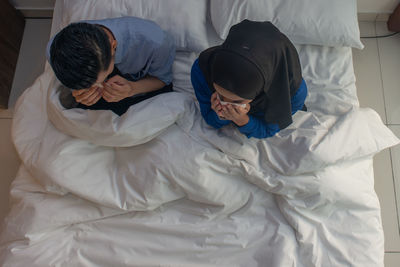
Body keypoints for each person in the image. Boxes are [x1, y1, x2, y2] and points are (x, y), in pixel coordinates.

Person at [190, 20, 307, 139]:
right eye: (219, 94)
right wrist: (220, 116)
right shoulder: (201, 71)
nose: (225, 105)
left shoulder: (292, 94)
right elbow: (209, 118)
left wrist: (241, 120)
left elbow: (268, 129)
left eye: (237, 102)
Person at [47, 17, 175, 115]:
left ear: (113, 46)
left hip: (141, 86)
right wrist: (78, 92)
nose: (96, 86)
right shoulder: (55, 50)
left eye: (101, 78)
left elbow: (163, 80)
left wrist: (133, 88)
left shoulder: (156, 43)